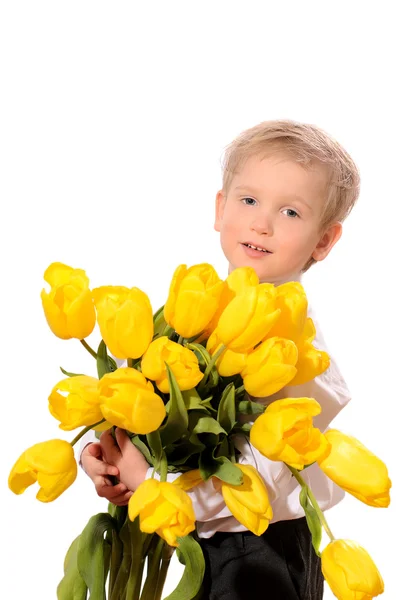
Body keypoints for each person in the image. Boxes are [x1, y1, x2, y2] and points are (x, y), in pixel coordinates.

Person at [80, 119, 360, 599]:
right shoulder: (196, 311)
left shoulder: (298, 351)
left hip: (260, 556)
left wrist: (150, 482)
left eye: (291, 211)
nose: (262, 223)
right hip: (194, 541)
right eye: (249, 200)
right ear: (220, 207)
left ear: (324, 241)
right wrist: (108, 452)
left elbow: (259, 479)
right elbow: (149, 409)